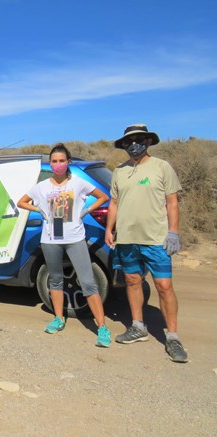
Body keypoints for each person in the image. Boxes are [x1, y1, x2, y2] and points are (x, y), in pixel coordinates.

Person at [105, 124, 187, 363]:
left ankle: (172, 336)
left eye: (139, 139)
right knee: (132, 281)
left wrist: (173, 232)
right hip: (127, 239)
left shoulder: (162, 167)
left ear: (149, 141)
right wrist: (109, 230)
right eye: (129, 141)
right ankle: (138, 326)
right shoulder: (119, 171)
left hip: (156, 239)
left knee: (164, 286)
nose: (134, 144)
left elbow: (172, 202)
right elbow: (114, 204)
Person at [17, 144, 111, 347]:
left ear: (68, 162)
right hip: (50, 240)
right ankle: (59, 318)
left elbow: (103, 197)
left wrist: (85, 211)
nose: (58, 164)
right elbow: (21, 202)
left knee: (88, 282)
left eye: (61, 161)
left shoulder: (78, 184)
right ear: (50, 164)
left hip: (75, 239)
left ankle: (102, 327)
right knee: (56, 281)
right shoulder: (41, 187)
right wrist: (39, 209)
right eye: (54, 161)